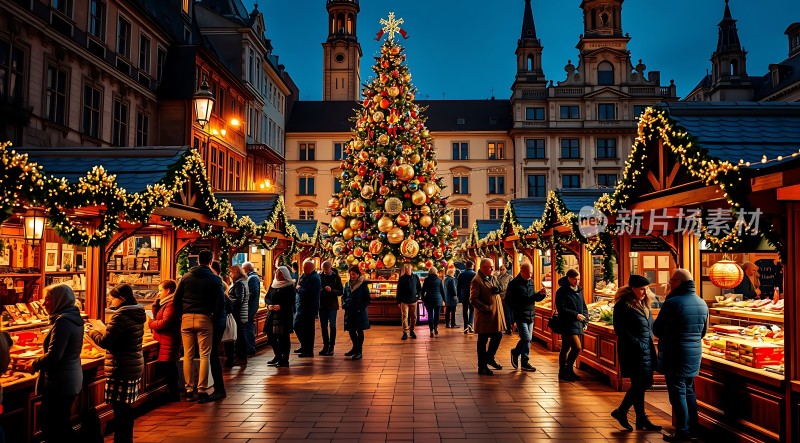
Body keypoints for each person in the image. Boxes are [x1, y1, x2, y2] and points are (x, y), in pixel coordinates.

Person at [653, 269, 709, 442]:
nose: (669, 284)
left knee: (677, 393)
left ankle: (682, 431)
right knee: (689, 390)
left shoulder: (672, 303)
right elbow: (703, 332)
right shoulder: (701, 302)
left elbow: (657, 329)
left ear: (678, 282)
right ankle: (693, 429)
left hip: (675, 352)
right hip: (694, 352)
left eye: (671, 281)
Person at [89, 284, 145, 443]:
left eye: (112, 297)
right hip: (132, 364)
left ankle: (121, 440)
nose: (110, 300)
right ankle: (125, 439)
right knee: (125, 408)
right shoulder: (136, 313)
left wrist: (92, 331)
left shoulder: (121, 316)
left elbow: (106, 342)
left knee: (120, 409)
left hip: (120, 366)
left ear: (122, 298)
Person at [30, 284, 83, 442]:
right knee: (61, 424)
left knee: (53, 427)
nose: (44, 303)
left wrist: (34, 363)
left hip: (60, 382)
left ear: (59, 300)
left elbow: (54, 356)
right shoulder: (72, 317)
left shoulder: (63, 322)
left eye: (47, 299)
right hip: (70, 379)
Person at [610, 275, 661, 432]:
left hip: (647, 349)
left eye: (646, 289)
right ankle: (622, 411)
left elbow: (649, 326)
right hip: (633, 351)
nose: (644, 292)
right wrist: (638, 343)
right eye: (641, 289)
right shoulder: (623, 305)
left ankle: (640, 419)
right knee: (643, 383)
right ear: (632, 288)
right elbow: (620, 329)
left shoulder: (644, 304)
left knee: (642, 383)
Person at [174, 250, 225, 403]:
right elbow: (220, 302)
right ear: (210, 262)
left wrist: (180, 315)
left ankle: (189, 390)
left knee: (188, 356)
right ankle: (202, 389)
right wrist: (213, 317)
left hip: (187, 318)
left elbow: (176, 299)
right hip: (204, 318)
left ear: (197, 260)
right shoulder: (214, 279)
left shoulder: (186, 277)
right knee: (205, 355)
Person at [506, 263, 546, 372]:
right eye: (528, 273)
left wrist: (541, 295)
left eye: (531, 273)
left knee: (529, 340)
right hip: (520, 315)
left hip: (531, 314)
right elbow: (508, 300)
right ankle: (515, 352)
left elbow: (533, 299)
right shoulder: (514, 284)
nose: (530, 275)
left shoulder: (531, 282)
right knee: (526, 338)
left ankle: (525, 362)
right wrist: (515, 312)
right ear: (521, 271)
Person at [470, 258, 505, 376]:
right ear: (483, 267)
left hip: (495, 315)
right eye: (490, 267)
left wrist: (498, 289)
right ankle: (482, 366)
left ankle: (489, 358)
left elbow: (499, 288)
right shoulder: (477, 280)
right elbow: (473, 299)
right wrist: (486, 308)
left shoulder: (493, 277)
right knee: (482, 340)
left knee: (498, 335)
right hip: (485, 317)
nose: (493, 269)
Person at [148, 279, 181, 402]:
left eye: (160, 290)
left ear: (168, 291)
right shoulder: (165, 303)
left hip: (168, 340)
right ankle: (172, 392)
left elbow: (165, 323)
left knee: (169, 367)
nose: (159, 293)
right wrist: (156, 303)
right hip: (165, 339)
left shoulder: (171, 304)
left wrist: (150, 323)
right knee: (169, 367)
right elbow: (159, 315)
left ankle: (173, 394)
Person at [556, 269, 588, 382]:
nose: (577, 281)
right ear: (568, 278)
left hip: (577, 323)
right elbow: (561, 308)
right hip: (566, 323)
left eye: (578, 279)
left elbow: (584, 306)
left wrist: (585, 321)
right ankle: (567, 369)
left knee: (565, 348)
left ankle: (564, 372)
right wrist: (576, 315)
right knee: (576, 347)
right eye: (575, 279)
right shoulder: (561, 291)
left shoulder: (579, 290)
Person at [265, 266, 296, 367]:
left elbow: (291, 301)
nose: (277, 274)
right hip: (272, 313)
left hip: (284, 314)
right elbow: (267, 297)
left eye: (280, 273)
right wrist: (269, 305)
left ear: (284, 274)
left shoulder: (289, 285)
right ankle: (278, 355)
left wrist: (281, 306)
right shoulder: (273, 284)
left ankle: (284, 359)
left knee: (283, 337)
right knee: (270, 335)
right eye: (277, 273)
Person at [207, 260, 228, 401]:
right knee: (208, 354)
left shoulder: (215, 281)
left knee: (210, 354)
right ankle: (205, 387)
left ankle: (215, 388)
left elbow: (222, 303)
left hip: (212, 321)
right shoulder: (216, 281)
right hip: (214, 320)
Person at [342, 265, 370, 360]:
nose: (352, 276)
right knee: (351, 330)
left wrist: (360, 308)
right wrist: (344, 304)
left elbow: (367, 299)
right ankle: (354, 348)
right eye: (351, 274)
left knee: (359, 331)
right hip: (350, 311)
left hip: (359, 312)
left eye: (354, 274)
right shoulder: (347, 284)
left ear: (358, 274)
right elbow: (344, 296)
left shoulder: (363, 285)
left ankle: (359, 351)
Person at [294, 260, 321, 357]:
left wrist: (299, 288)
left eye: (305, 268)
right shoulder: (305, 276)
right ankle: (304, 346)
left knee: (307, 329)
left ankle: (308, 350)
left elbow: (308, 292)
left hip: (309, 308)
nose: (303, 270)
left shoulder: (314, 278)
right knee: (299, 326)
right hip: (301, 306)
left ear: (310, 268)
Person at [224, 264, 249, 367]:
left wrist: (228, 300)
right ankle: (240, 357)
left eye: (231, 272)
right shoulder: (240, 282)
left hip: (238, 314)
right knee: (239, 335)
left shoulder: (239, 284)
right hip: (239, 313)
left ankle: (241, 357)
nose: (230, 274)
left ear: (236, 273)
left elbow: (239, 299)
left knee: (239, 336)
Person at [318, 261, 343, 356]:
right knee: (323, 326)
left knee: (332, 325)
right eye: (323, 270)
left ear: (330, 268)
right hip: (322, 305)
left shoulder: (336, 277)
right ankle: (325, 346)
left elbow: (340, 291)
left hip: (332, 305)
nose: (325, 271)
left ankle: (331, 346)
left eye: (327, 270)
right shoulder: (320, 276)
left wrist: (331, 290)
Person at [396, 263, 421, 340]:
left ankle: (412, 330)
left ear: (411, 269)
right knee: (404, 317)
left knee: (414, 317)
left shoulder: (416, 277)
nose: (407, 270)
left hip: (413, 300)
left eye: (408, 268)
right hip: (404, 301)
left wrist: (418, 296)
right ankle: (405, 332)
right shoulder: (402, 278)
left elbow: (419, 288)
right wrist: (398, 301)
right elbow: (399, 290)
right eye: (405, 269)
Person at [242, 261, 261, 356]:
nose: (242, 269)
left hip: (250, 305)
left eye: (243, 268)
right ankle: (249, 347)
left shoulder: (252, 278)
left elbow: (253, 293)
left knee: (248, 325)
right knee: (248, 325)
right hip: (251, 305)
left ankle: (250, 348)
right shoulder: (252, 276)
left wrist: (243, 297)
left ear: (247, 268)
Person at [421, 266, 444, 337]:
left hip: (429, 299)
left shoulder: (426, 280)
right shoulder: (439, 280)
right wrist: (444, 300)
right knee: (437, 314)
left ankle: (431, 329)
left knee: (430, 315)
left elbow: (423, 290)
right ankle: (435, 327)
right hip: (438, 299)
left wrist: (423, 298)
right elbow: (442, 291)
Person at [458, 260, 476, 333]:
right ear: (472, 266)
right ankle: (470, 324)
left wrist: (459, 295)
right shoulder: (475, 274)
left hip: (464, 295)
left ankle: (465, 326)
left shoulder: (461, 274)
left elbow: (458, 286)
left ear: (466, 265)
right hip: (472, 294)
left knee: (465, 310)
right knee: (472, 310)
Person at [496, 265, 514, 335]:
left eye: (503, 269)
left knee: (507, 313)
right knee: (502, 313)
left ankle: (508, 328)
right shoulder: (498, 277)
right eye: (501, 269)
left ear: (506, 270)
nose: (502, 270)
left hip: (506, 297)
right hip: (500, 297)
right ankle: (504, 327)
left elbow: (505, 288)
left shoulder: (509, 277)